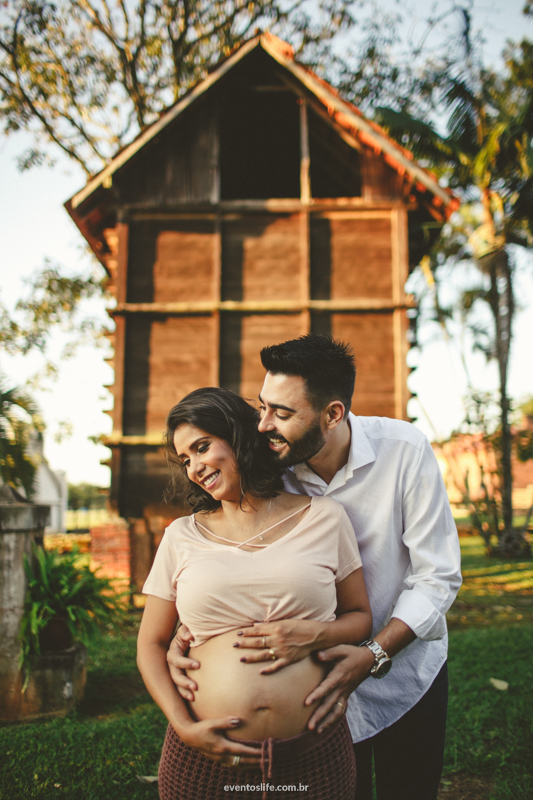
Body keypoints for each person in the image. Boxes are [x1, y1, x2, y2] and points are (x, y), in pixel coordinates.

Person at [168, 335, 463, 800]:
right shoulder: (268, 465)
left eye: (282, 413)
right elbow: (233, 555)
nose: (264, 425)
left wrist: (373, 654)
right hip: (313, 697)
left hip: (404, 670)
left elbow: (437, 576)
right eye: (263, 406)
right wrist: (187, 635)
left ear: (333, 414)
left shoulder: (403, 451)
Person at [137, 386, 373, 800]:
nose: (194, 467)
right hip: (207, 757)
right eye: (185, 459)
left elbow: (359, 617)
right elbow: (151, 644)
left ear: (238, 435)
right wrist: (184, 726)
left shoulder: (325, 518)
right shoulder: (181, 536)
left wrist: (317, 635)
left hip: (313, 754)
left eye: (202, 447)